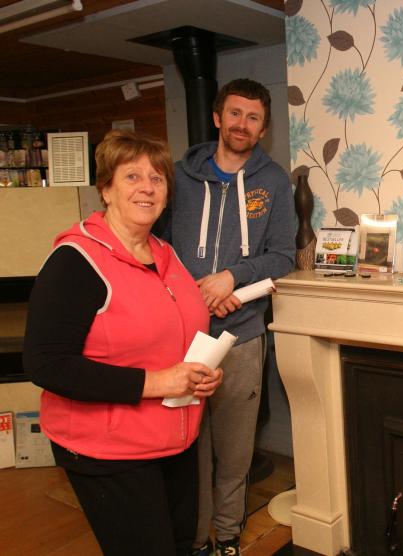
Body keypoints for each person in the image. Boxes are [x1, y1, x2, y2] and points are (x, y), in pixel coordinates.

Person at [23, 130, 224, 556]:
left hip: (175, 438)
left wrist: (201, 374)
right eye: (132, 176)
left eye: (157, 178)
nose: (147, 187)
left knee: (178, 544)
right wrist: (159, 382)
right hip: (108, 450)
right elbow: (46, 364)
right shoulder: (76, 261)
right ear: (105, 189)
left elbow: (177, 335)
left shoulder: (166, 256)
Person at [160, 78, 295, 556]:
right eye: (235, 114)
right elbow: (156, 248)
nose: (243, 124)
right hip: (182, 333)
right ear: (218, 117)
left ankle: (229, 536)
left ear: (264, 127)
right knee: (189, 447)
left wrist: (231, 278)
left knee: (235, 451)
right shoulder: (178, 177)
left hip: (242, 335)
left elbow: (282, 256)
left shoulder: (274, 181)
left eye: (254, 117)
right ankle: (195, 541)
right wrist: (195, 292)